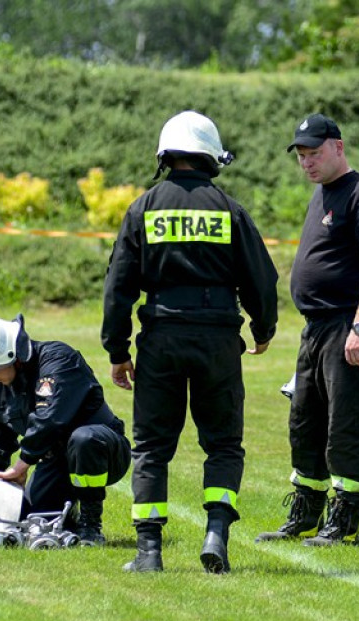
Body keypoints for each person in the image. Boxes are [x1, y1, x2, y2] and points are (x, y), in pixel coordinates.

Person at [102, 110, 278, 574]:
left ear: (166, 155)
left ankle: (148, 553)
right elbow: (261, 279)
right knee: (222, 444)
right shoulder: (230, 209)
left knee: (152, 447)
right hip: (219, 341)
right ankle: (216, 533)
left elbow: (118, 286)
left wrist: (118, 351)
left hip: (160, 339)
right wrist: (262, 329)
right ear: (210, 157)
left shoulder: (143, 208)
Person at [256, 113, 359, 547]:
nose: (307, 162)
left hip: (347, 326)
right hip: (315, 329)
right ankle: (307, 512)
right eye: (301, 155)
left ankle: (345, 517)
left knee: (345, 422)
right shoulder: (322, 194)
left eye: (314, 153)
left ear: (338, 146)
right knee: (305, 421)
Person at [0, 314, 131, 546]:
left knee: (83, 439)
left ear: (10, 357)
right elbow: (0, 428)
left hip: (103, 451)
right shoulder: (5, 384)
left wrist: (21, 465)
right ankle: (69, 520)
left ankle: (91, 525)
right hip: (56, 460)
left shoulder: (59, 359)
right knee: (32, 518)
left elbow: (50, 418)